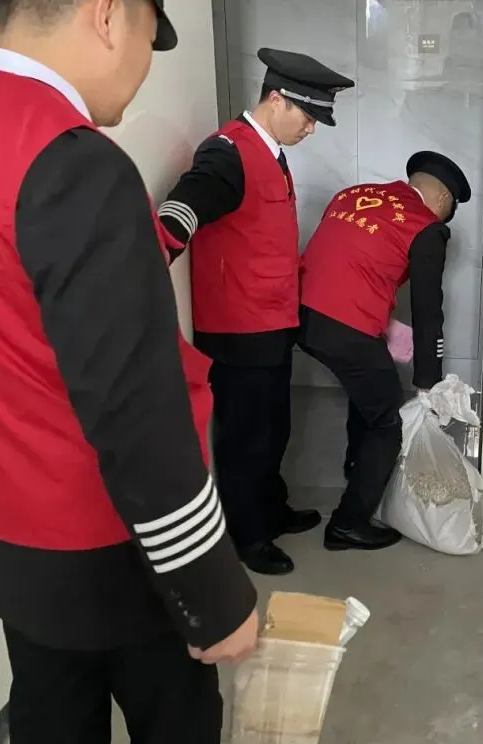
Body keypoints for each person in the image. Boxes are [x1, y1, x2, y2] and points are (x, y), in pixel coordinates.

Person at [0, 2, 258, 744]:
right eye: (149, 42)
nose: (145, 69)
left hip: (9, 546)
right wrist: (213, 593)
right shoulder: (73, 164)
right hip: (116, 550)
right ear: (107, 16)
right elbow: (137, 412)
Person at [157, 48, 355, 577]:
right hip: (238, 329)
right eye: (308, 116)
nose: (311, 129)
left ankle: (271, 507)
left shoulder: (271, 153)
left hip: (271, 321)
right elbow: (187, 202)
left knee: (274, 427)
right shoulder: (228, 152)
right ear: (276, 99)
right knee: (246, 437)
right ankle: (248, 535)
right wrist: (152, 253)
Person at [298, 151, 472, 550]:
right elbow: (428, 310)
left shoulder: (353, 194)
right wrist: (428, 382)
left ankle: (357, 468)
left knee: (369, 396)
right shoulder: (427, 227)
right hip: (347, 328)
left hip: (299, 314)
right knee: (385, 422)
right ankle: (348, 524)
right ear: (443, 199)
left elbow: (346, 261)